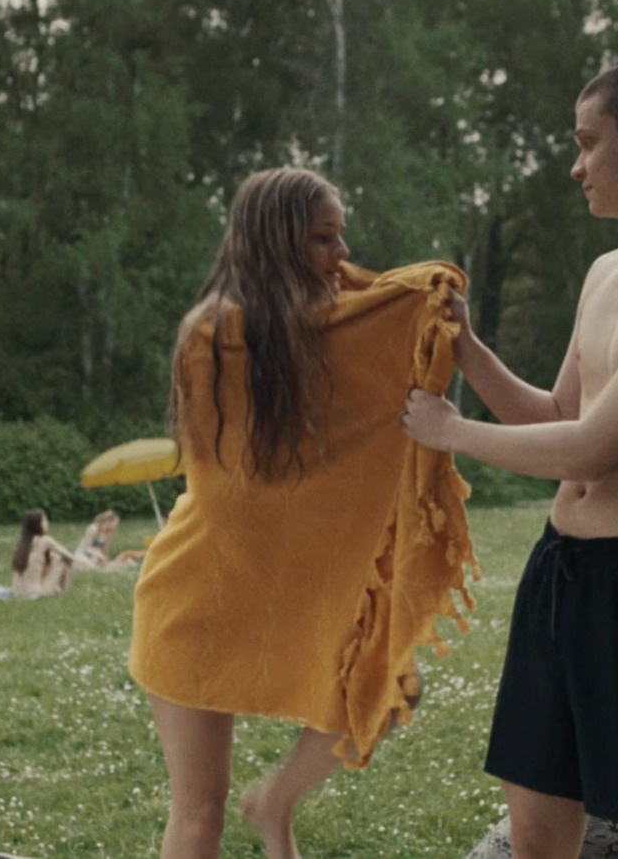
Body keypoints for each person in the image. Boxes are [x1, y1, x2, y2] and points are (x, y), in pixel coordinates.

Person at [402, 59, 618, 859]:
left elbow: (596, 446)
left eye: (588, 142)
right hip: (562, 576)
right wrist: (469, 348)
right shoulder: (605, 274)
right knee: (535, 836)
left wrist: (450, 431)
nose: (575, 164)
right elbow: (561, 414)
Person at [128, 167, 473, 859]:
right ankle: (264, 807)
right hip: (198, 591)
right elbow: (233, 486)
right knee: (198, 813)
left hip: (279, 587)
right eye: (323, 239)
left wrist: (420, 299)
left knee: (395, 685)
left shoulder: (329, 326)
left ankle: (276, 800)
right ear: (275, 242)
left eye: (341, 236)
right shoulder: (213, 332)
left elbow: (395, 311)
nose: (341, 255)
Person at [10, 508, 73, 599]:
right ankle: (63, 591)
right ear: (38, 525)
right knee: (61, 559)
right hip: (35, 592)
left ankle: (58, 589)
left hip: (16, 593)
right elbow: (70, 557)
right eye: (45, 520)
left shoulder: (22, 543)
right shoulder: (44, 540)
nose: (47, 523)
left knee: (52, 557)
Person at [73, 510, 144, 570]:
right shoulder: (93, 528)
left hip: (97, 556)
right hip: (84, 554)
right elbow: (86, 547)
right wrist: (97, 554)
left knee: (105, 565)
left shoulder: (108, 532)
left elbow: (103, 548)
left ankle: (116, 566)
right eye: (115, 522)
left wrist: (105, 559)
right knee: (90, 565)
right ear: (108, 521)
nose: (116, 525)